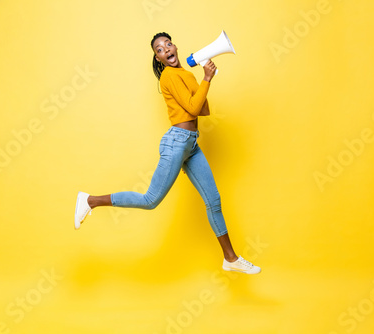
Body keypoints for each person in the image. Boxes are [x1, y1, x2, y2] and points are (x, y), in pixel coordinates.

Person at [74, 32, 260, 274]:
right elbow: (192, 107)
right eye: (160, 49)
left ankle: (230, 258)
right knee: (151, 200)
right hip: (176, 142)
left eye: (168, 44)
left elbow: (202, 110)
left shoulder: (185, 74)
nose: (166, 50)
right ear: (158, 59)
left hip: (191, 144)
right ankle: (90, 201)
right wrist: (206, 79)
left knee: (213, 200)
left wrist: (204, 78)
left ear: (175, 47)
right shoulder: (168, 77)